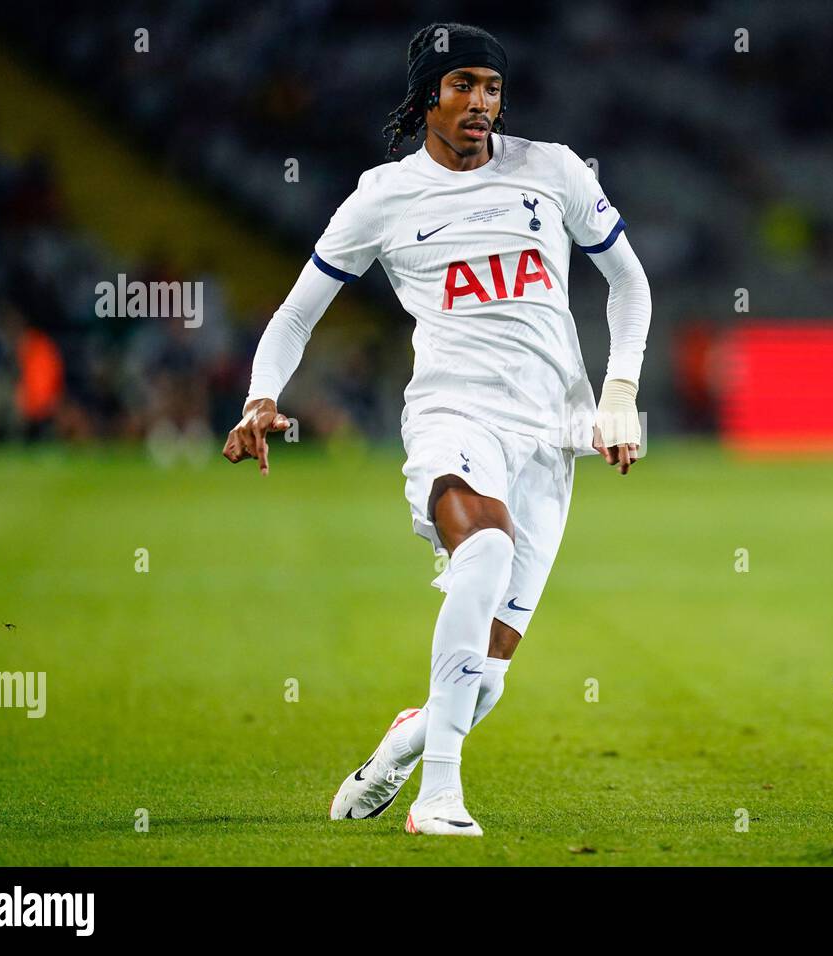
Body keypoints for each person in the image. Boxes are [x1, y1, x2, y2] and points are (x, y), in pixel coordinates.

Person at [221, 22, 651, 836]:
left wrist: (618, 390)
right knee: (481, 546)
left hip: (551, 434)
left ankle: (404, 746)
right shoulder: (383, 196)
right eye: (462, 86)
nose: (481, 103)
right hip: (454, 414)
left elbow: (627, 282)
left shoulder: (552, 169)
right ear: (427, 98)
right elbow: (296, 312)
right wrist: (258, 398)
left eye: (491, 86)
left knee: (483, 683)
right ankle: (439, 795)